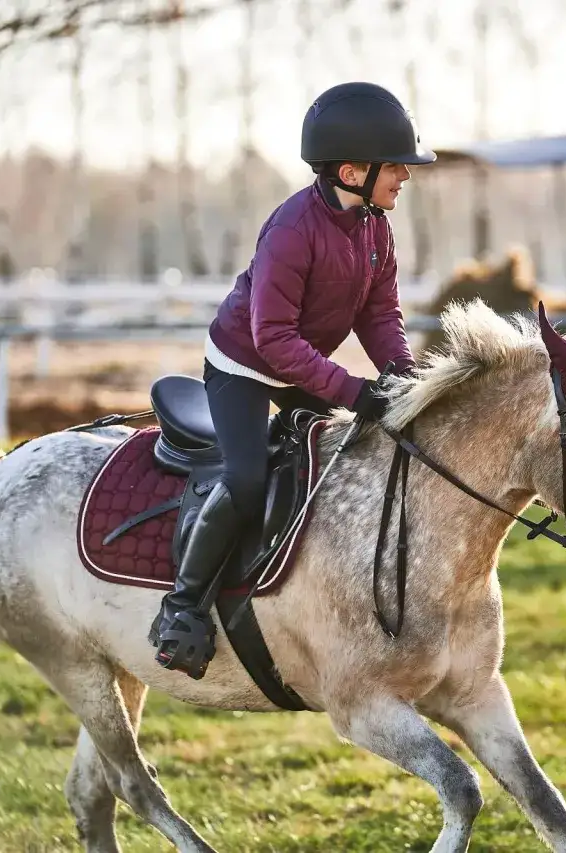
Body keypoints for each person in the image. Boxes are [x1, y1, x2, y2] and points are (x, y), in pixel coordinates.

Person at [149, 81, 437, 679]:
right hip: (244, 366)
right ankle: (182, 607)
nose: (406, 176)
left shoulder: (376, 228)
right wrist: (354, 391)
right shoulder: (291, 230)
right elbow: (273, 341)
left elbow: (379, 316)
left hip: (299, 359)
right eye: (398, 167)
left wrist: (403, 379)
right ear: (354, 171)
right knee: (248, 477)